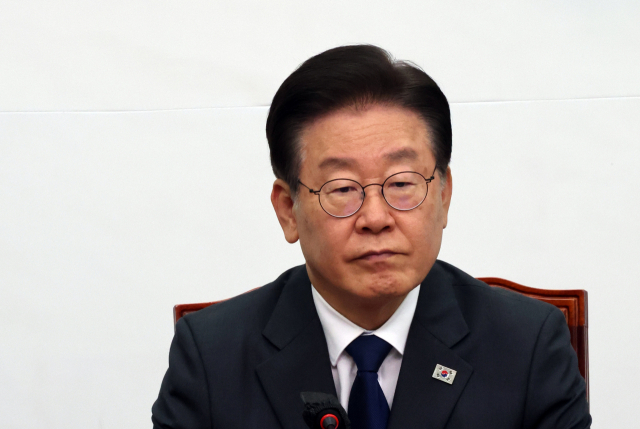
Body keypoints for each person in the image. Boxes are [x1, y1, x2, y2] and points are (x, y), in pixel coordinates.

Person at [151, 45, 591, 429]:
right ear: (288, 210)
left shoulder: (526, 346)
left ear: (443, 195)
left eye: (401, 183)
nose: (376, 218)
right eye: (343, 189)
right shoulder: (211, 357)